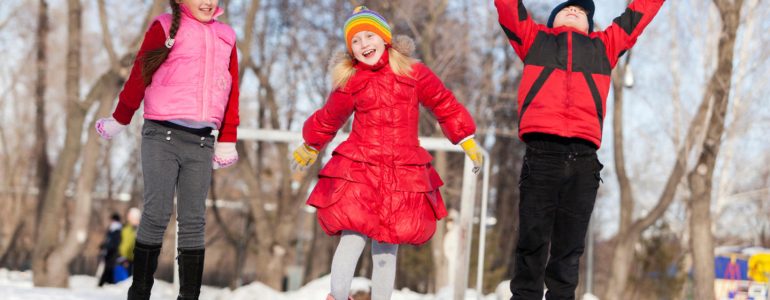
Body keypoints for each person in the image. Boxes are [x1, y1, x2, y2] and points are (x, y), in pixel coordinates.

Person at [290, 6, 483, 300]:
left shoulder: (414, 73)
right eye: (356, 41)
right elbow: (330, 116)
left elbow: (443, 102)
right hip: (360, 169)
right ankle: (337, 296)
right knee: (352, 237)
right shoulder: (352, 80)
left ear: (385, 38)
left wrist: (466, 137)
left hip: (401, 171)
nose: (364, 44)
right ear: (350, 50)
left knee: (386, 247)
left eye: (370, 36)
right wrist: (311, 144)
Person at [493, 0, 666, 299]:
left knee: (570, 248)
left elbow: (638, 15)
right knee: (532, 240)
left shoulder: (604, 47)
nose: (575, 10)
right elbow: (508, 7)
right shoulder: (534, 39)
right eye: (566, 8)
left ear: (590, 25)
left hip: (584, 162)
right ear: (551, 21)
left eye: (583, 11)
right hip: (542, 155)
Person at [93, 0, 240, 298]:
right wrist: (121, 117)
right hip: (162, 135)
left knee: (193, 220)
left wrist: (228, 137)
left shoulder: (226, 36)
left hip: (201, 141)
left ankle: (189, 295)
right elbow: (139, 73)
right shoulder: (163, 26)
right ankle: (141, 291)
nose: (209, 2)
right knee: (157, 214)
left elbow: (232, 89)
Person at [115, 207, 142, 282]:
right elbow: (125, 244)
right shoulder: (126, 229)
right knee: (124, 281)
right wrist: (123, 256)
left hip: (134, 259)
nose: (137, 221)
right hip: (125, 259)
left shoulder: (137, 229)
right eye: (135, 219)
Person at [98, 213, 122, 287]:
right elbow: (108, 240)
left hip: (113, 252)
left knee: (109, 268)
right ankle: (108, 283)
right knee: (108, 268)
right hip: (109, 252)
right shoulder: (112, 229)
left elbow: (114, 242)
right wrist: (103, 245)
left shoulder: (117, 230)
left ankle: (102, 284)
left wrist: (106, 246)